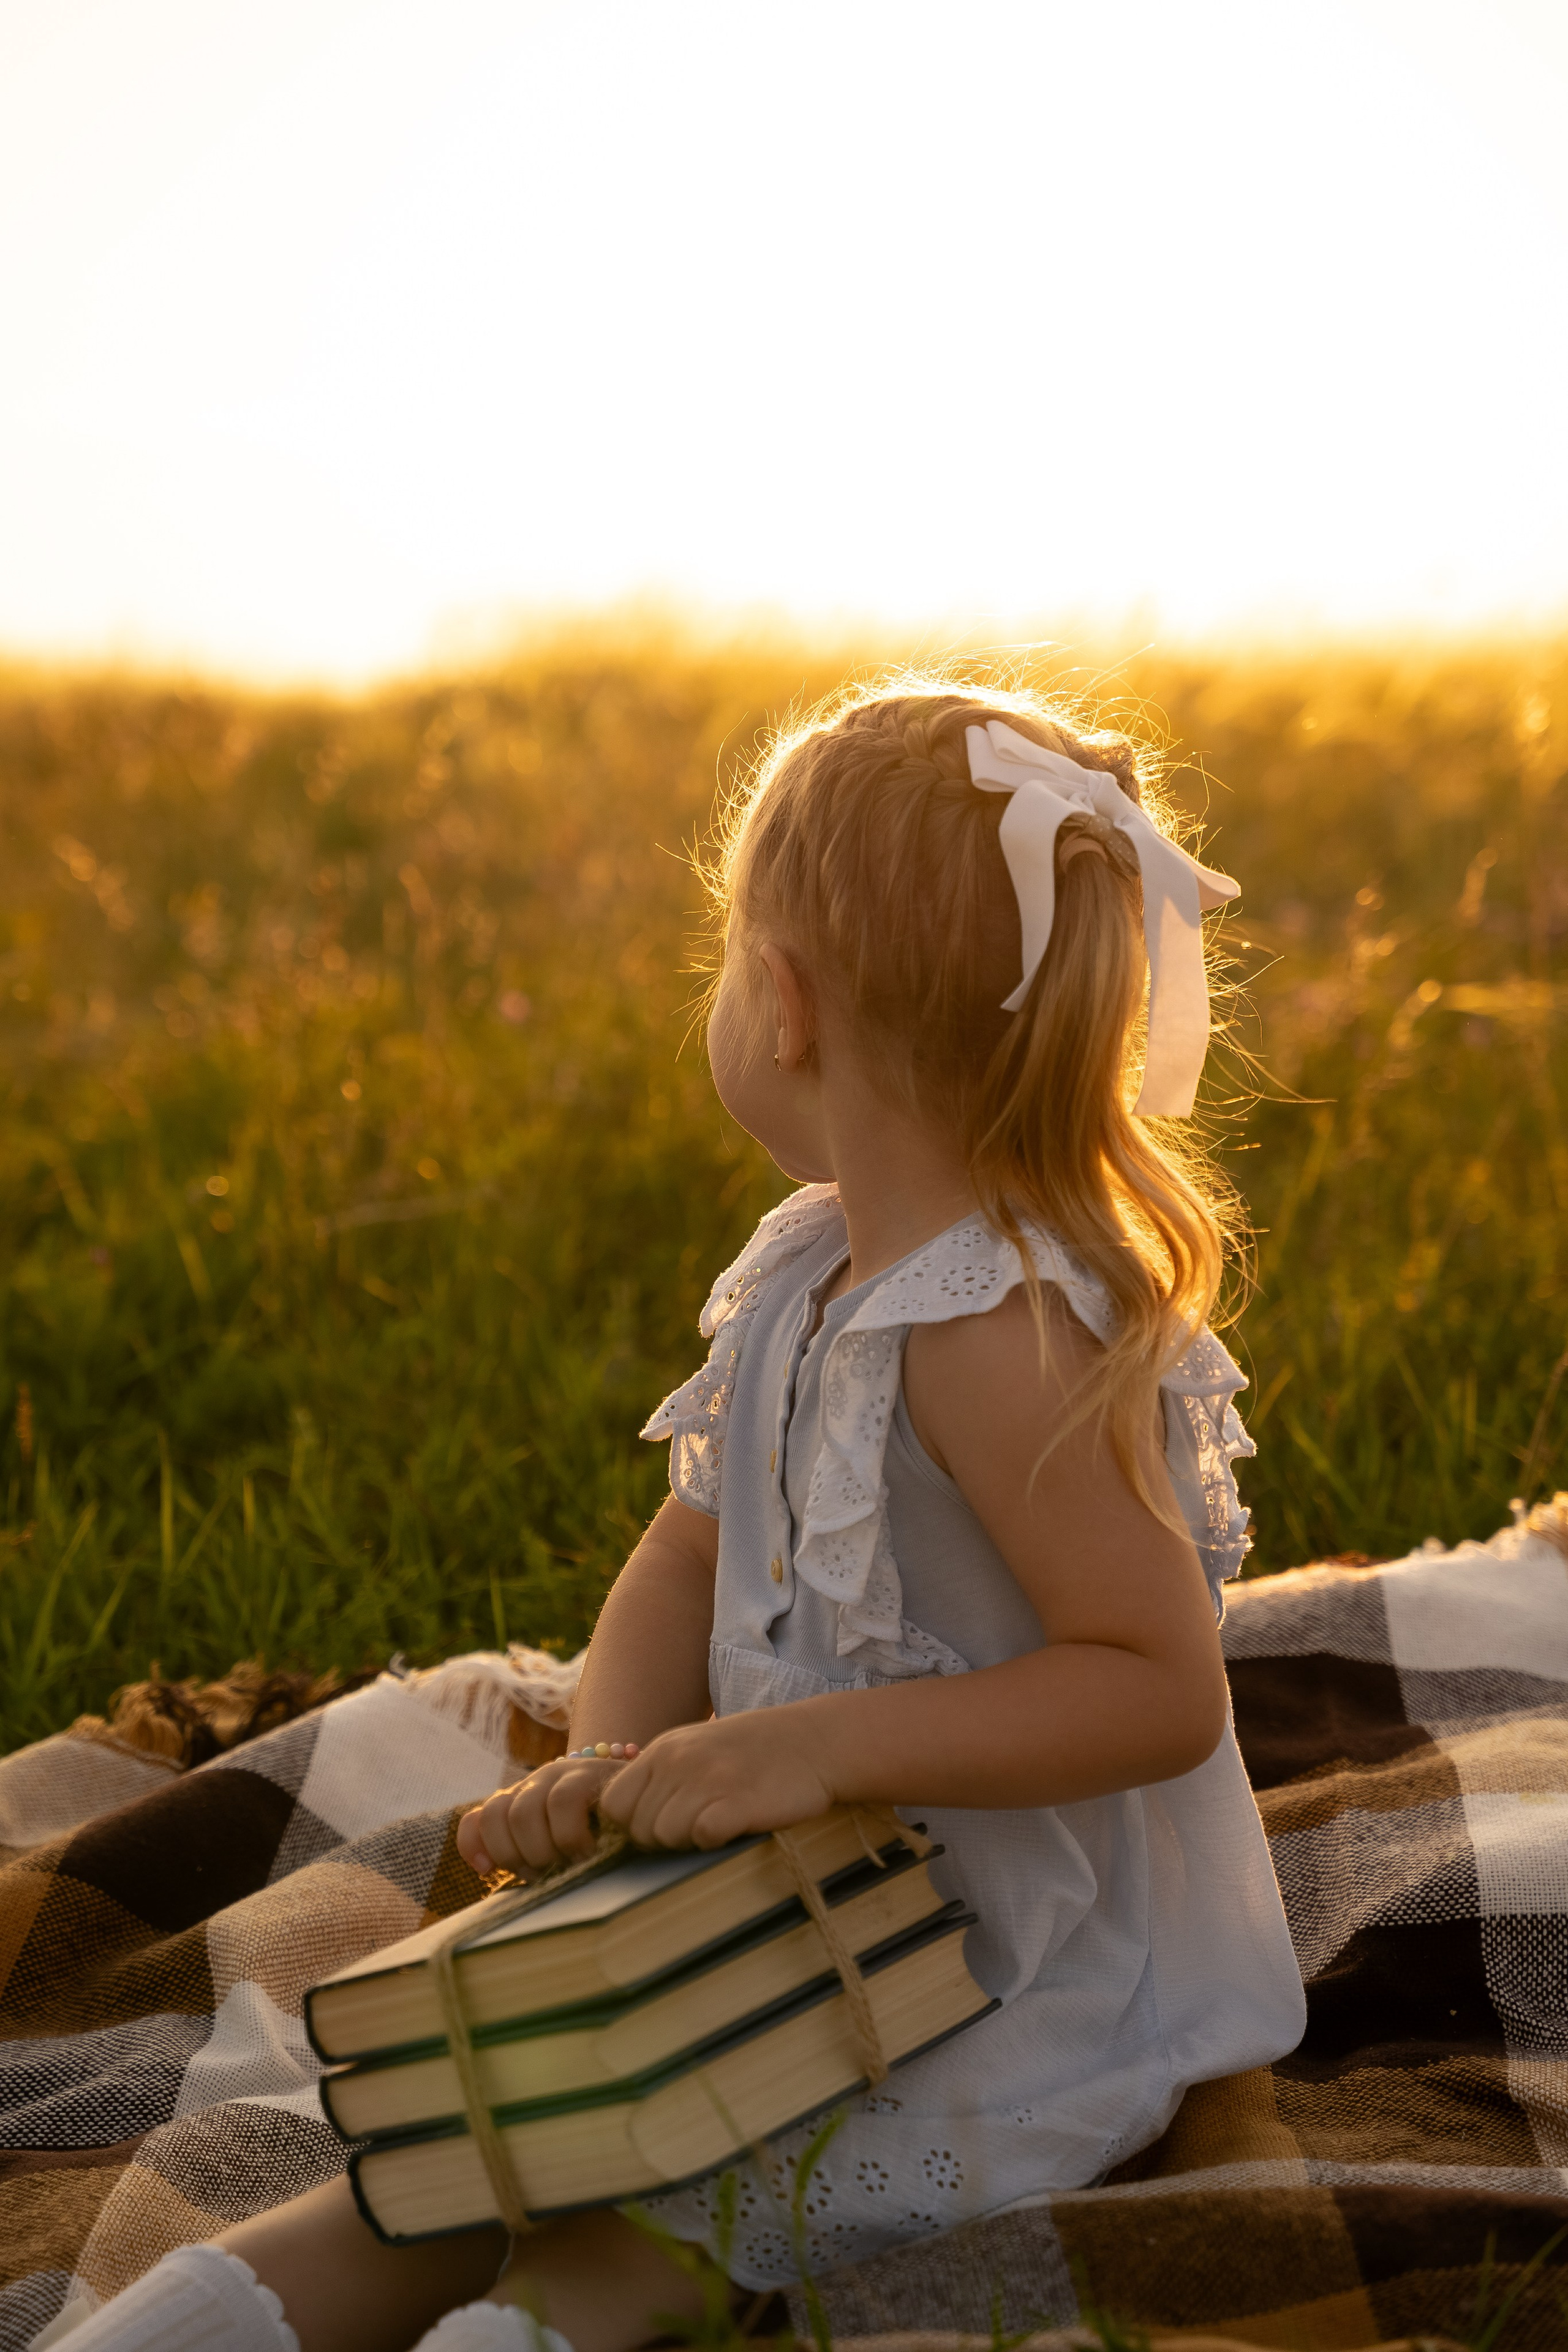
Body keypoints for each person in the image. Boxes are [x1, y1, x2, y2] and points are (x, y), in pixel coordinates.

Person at [49, 680, 1304, 2352]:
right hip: (766, 1897)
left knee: (645, 2225)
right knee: (435, 2168)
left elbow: (1157, 1680)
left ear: (782, 1003)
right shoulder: (808, 1270)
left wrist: (816, 1748)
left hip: (986, 1961)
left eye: (727, 952)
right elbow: (691, 1547)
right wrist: (611, 1765)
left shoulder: (999, 1332)